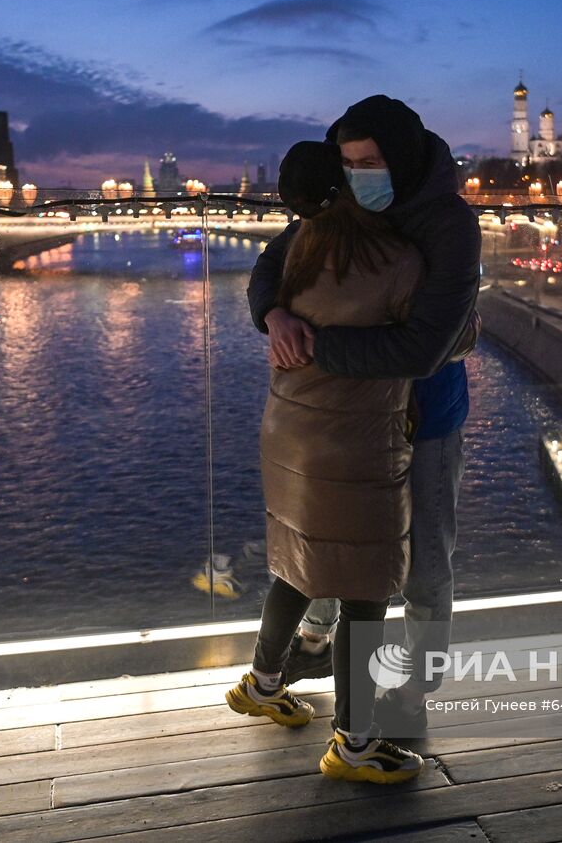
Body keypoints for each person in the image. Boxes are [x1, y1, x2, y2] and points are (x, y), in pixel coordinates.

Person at [246, 96, 481, 736]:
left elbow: (425, 348)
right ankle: (321, 651)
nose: (358, 176)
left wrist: (312, 348)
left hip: (425, 417)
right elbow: (272, 264)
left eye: (370, 162)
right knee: (344, 545)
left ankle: (416, 688)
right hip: (356, 421)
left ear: (400, 158)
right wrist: (275, 316)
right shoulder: (347, 203)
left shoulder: (450, 225)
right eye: (348, 164)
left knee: (425, 563)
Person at [225, 140, 425, 783]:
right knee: (366, 589)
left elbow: (264, 285)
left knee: (298, 561)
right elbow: (431, 344)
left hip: (287, 432)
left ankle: (261, 682)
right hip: (357, 440)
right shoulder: (396, 260)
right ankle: (355, 742)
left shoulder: (296, 251)